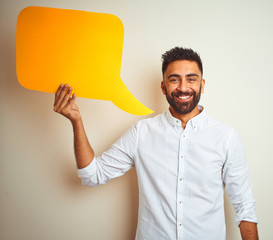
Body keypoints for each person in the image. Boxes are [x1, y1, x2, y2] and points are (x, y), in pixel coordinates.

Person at [53, 47, 259, 240]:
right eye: (174, 80)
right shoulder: (141, 133)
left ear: (202, 85)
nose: (183, 87)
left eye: (191, 79)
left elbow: (244, 207)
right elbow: (92, 175)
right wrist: (76, 120)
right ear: (163, 87)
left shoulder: (226, 137)